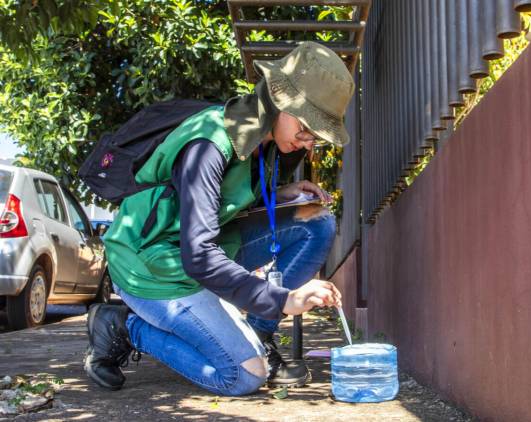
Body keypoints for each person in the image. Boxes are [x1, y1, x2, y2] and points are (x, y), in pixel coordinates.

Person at [84, 41, 355, 396]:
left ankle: (258, 334)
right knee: (244, 376)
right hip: (151, 265)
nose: (308, 142)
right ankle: (125, 327)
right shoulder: (209, 142)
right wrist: (281, 300)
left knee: (315, 221)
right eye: (307, 128)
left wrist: (279, 195)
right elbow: (198, 255)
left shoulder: (267, 141)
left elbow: (223, 201)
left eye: (316, 136)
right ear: (278, 98)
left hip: (205, 251)